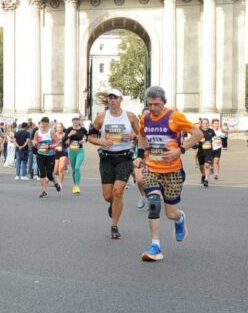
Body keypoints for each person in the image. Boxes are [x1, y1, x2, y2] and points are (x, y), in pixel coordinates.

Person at [134, 86, 201, 262]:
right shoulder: (145, 118)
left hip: (172, 172)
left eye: (157, 104)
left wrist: (181, 150)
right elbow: (141, 136)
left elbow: (197, 133)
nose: (153, 108)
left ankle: (180, 219)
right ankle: (155, 246)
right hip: (151, 169)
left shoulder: (175, 117)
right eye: (150, 104)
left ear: (164, 102)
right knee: (154, 204)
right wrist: (140, 156)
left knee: (170, 213)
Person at [87, 89, 141, 240]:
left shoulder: (130, 116)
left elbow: (142, 136)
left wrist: (134, 136)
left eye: (115, 98)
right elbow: (90, 137)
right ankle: (113, 205)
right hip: (106, 158)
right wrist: (102, 141)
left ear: (120, 100)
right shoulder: (101, 117)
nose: (113, 100)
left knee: (118, 191)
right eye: (110, 98)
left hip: (124, 157)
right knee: (108, 195)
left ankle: (114, 226)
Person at [32, 117, 61, 198]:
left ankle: (55, 181)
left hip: (50, 156)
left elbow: (57, 142)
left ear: (48, 124)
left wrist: (51, 146)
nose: (43, 124)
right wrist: (34, 142)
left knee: (49, 175)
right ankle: (44, 191)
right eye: (42, 122)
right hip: (40, 155)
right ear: (40, 123)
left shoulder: (51, 132)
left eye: (45, 123)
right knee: (42, 173)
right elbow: (34, 140)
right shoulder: (37, 132)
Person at [63, 117, 88, 194]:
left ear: (79, 121)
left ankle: (77, 185)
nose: (76, 122)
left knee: (77, 168)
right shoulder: (69, 129)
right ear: (72, 122)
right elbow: (63, 140)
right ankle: (75, 185)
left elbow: (87, 137)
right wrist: (70, 134)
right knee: (74, 169)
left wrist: (84, 140)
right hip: (71, 151)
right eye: (74, 120)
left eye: (77, 120)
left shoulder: (83, 129)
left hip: (80, 151)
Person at [194, 118, 215, 187]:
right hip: (201, 151)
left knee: (207, 165)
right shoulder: (199, 131)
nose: (206, 125)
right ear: (202, 124)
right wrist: (199, 140)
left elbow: (215, 137)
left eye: (207, 123)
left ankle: (206, 180)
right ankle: (203, 175)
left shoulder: (211, 131)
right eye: (204, 123)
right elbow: (194, 140)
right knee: (201, 166)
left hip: (209, 151)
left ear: (208, 124)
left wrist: (217, 139)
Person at [52, 122, 68, 191]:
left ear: (62, 128)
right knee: (55, 171)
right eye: (58, 127)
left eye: (60, 127)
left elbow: (68, 143)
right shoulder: (54, 135)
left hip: (64, 153)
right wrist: (55, 147)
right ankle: (61, 175)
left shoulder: (65, 135)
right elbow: (51, 144)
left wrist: (64, 146)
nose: (59, 128)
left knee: (61, 168)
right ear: (56, 128)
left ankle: (60, 183)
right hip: (56, 153)